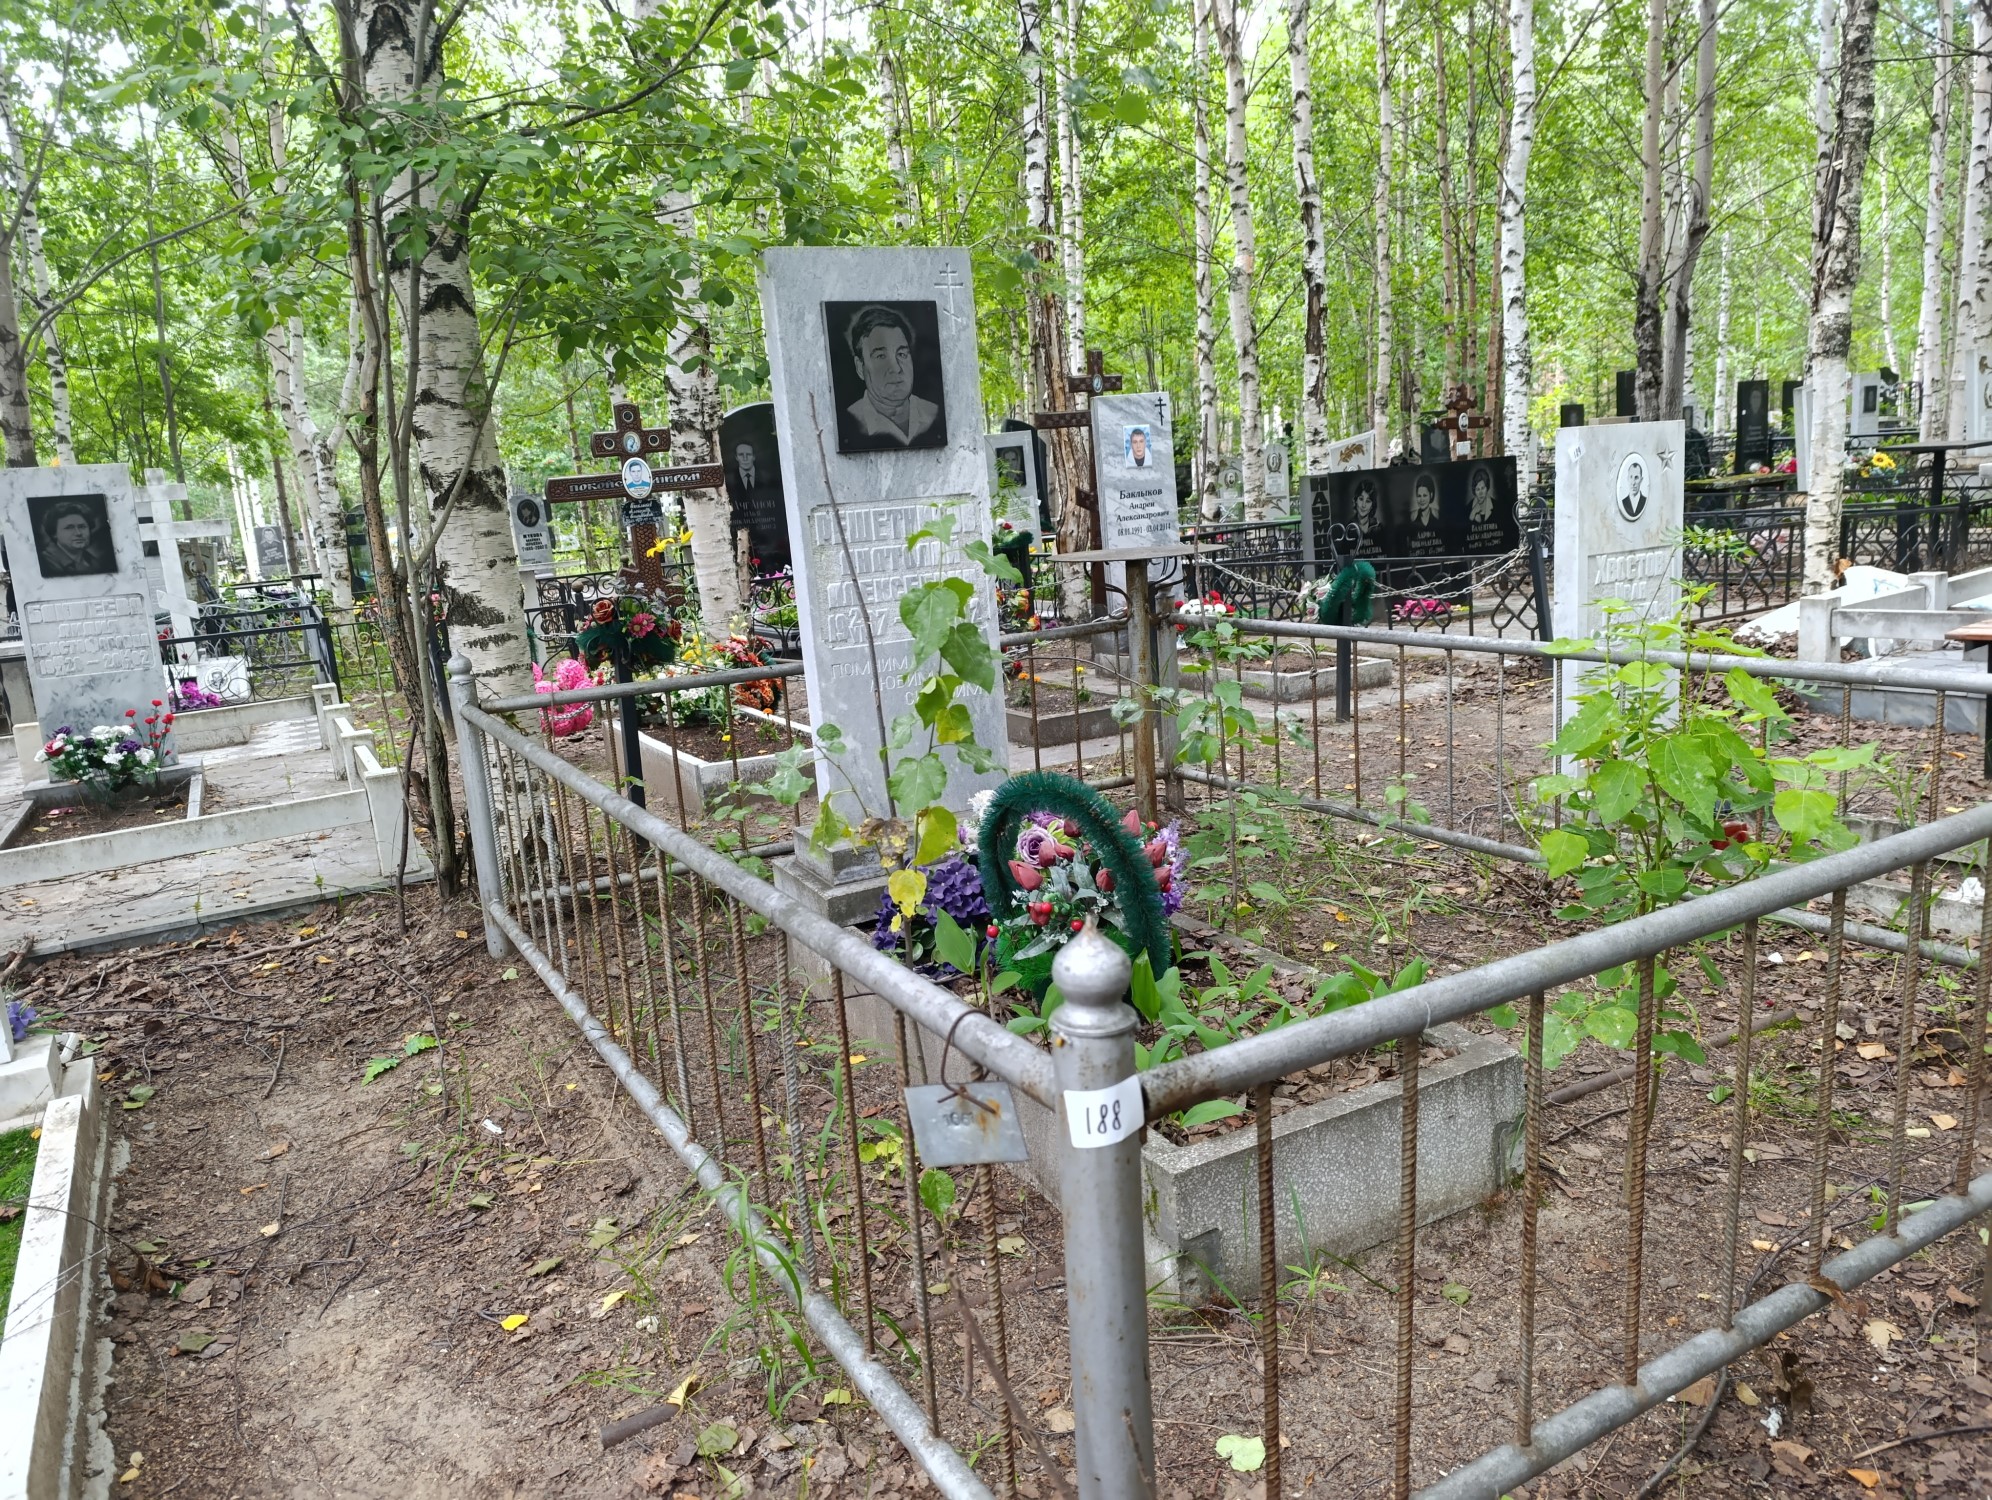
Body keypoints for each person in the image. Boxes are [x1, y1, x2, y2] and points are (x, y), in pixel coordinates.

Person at [841, 305, 941, 446]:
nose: (896, 368)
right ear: (860, 367)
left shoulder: (933, 414)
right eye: (881, 356)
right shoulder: (851, 423)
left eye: (902, 354)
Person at [35, 499, 115, 577]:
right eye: (69, 528)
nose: (78, 533)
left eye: (82, 527)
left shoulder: (95, 563)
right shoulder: (45, 563)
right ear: (54, 533)